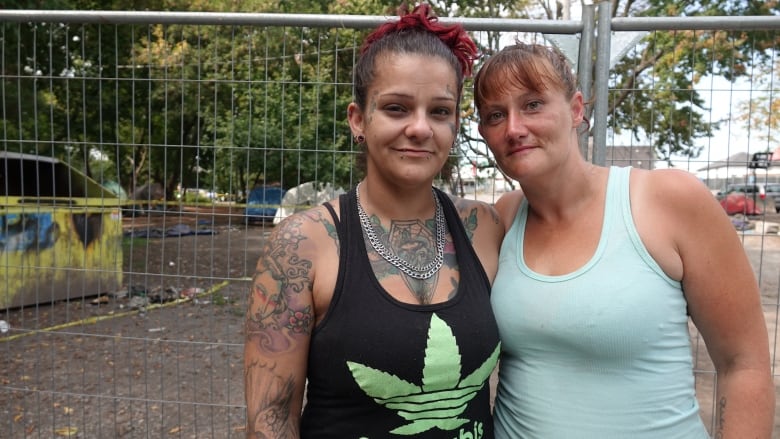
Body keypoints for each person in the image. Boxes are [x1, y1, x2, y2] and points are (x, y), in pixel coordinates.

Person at [473, 42, 775, 438]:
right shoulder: (504, 217)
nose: (514, 128)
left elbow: (744, 366)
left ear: (577, 110)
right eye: (496, 115)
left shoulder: (666, 200)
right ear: (484, 133)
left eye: (533, 105)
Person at [244, 4, 504, 438]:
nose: (420, 128)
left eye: (440, 111)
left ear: (456, 124)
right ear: (358, 119)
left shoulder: (487, 227)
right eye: (397, 108)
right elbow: (270, 419)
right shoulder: (302, 245)